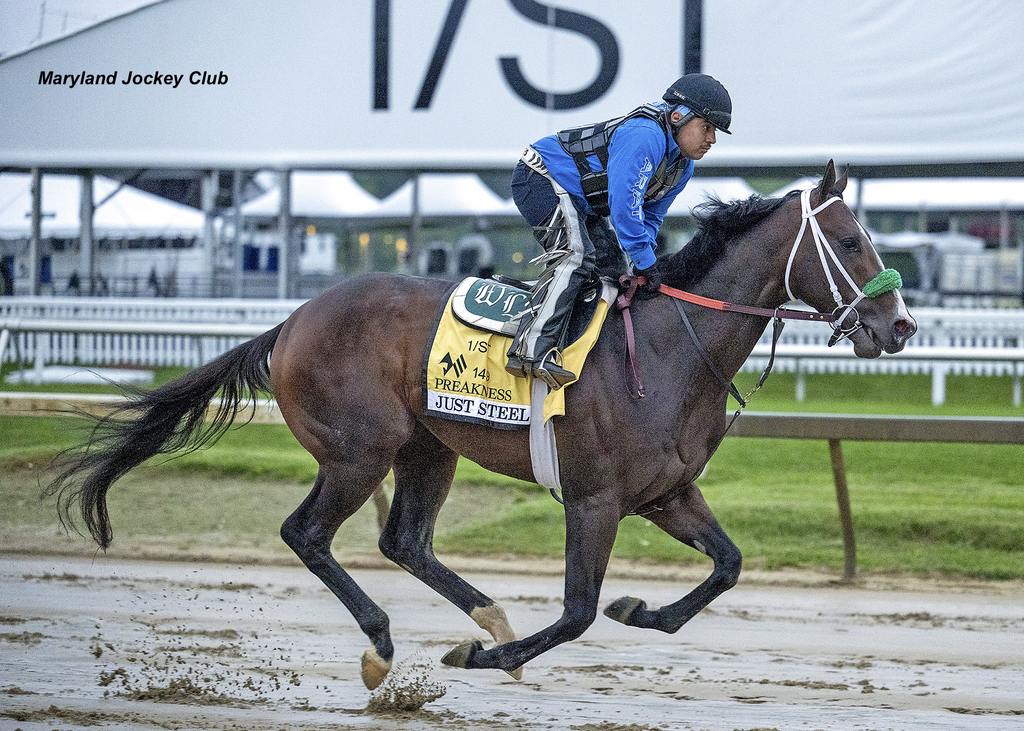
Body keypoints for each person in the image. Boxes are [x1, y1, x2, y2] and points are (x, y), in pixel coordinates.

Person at [506, 73, 732, 389]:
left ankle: (579, 347)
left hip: (579, 201)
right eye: (707, 128)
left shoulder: (683, 166)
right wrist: (645, 261)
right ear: (678, 116)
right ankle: (530, 348)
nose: (712, 139)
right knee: (576, 256)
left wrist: (644, 260)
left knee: (614, 269)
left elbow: (650, 216)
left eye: (715, 131)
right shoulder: (645, 136)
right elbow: (625, 207)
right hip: (539, 178)